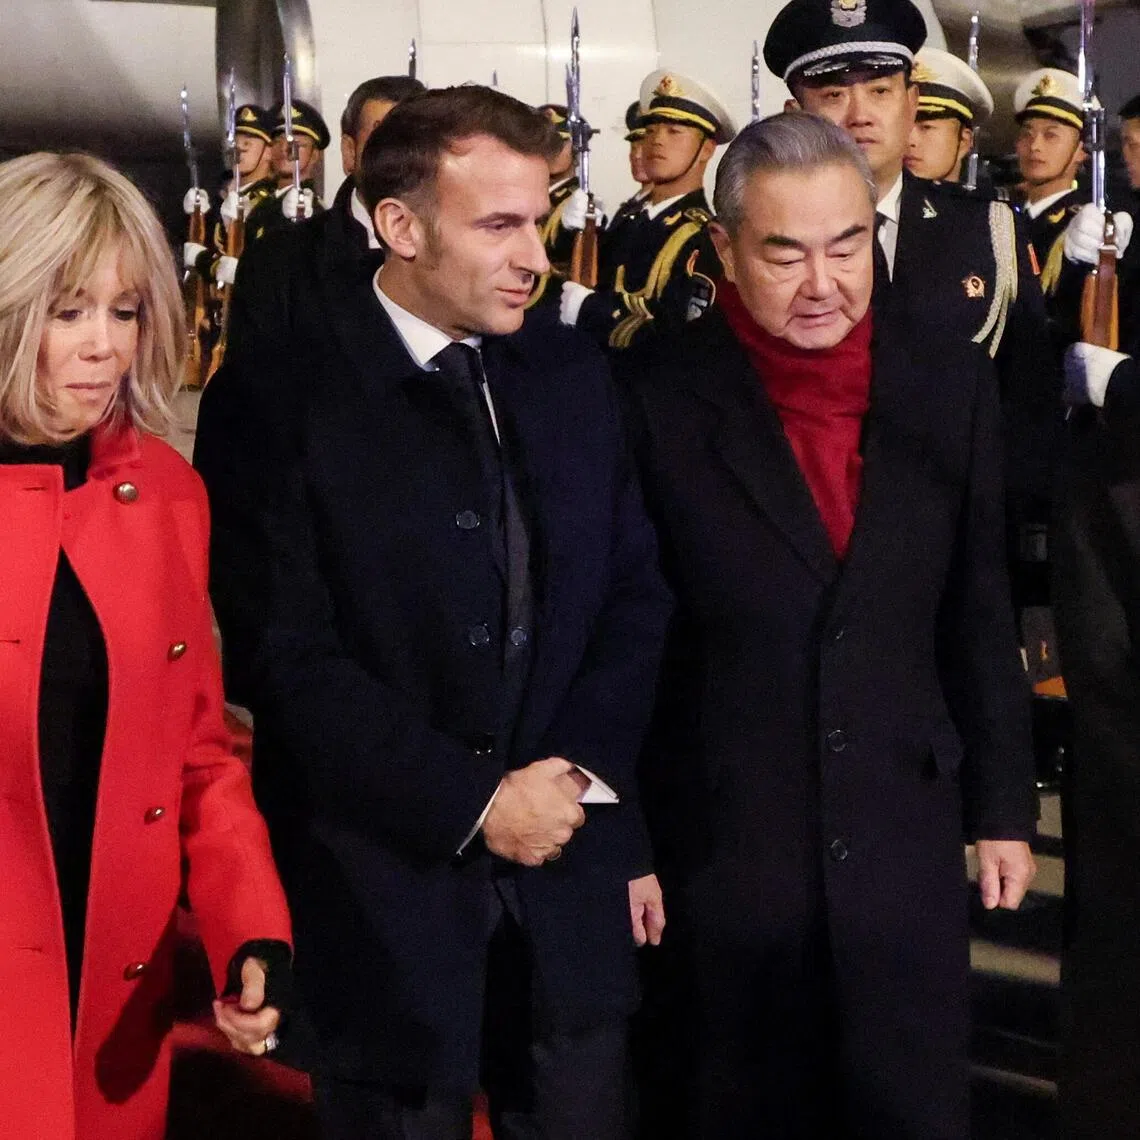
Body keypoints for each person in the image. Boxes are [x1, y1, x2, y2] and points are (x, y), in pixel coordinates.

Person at [194, 85, 672, 1140]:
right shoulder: (278, 396)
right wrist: (474, 802)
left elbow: (634, 597)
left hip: (569, 888)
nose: (535, 255)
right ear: (401, 227)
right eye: (498, 225)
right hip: (384, 904)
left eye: (539, 217)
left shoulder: (573, 370)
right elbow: (284, 656)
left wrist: (577, 779)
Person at [624, 111, 1037, 1140]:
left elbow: (976, 609)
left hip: (904, 840)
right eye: (787, 252)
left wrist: (1002, 806)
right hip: (724, 849)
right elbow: (623, 638)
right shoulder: (653, 396)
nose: (825, 283)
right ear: (723, 249)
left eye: (848, 245)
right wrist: (620, 835)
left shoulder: (947, 382)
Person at [0, 151, 292, 1140]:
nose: (105, 348)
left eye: (125, 313)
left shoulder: (165, 491)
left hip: (113, 1004)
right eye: (70, 311)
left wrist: (249, 928)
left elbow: (201, 755)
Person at [766, 0, 1061, 626]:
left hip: (951, 572)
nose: (859, 114)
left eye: (879, 89)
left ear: (912, 100)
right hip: (795, 567)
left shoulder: (986, 231)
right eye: (832, 95)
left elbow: (1026, 413)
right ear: (795, 114)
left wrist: (1024, 580)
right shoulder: (754, 239)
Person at [1013, 69, 1089, 279]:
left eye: (1051, 135)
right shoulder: (1002, 214)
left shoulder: (1082, 228)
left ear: (1080, 151)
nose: (1035, 146)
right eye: (1027, 133)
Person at [245, 98, 330, 240]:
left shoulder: (313, 211)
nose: (285, 149)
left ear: (314, 155)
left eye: (297, 145)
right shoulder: (262, 206)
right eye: (277, 142)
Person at [904, 46, 992, 183]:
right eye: (902, 127)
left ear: (964, 141)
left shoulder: (985, 205)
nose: (909, 141)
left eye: (926, 127)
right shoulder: (866, 203)